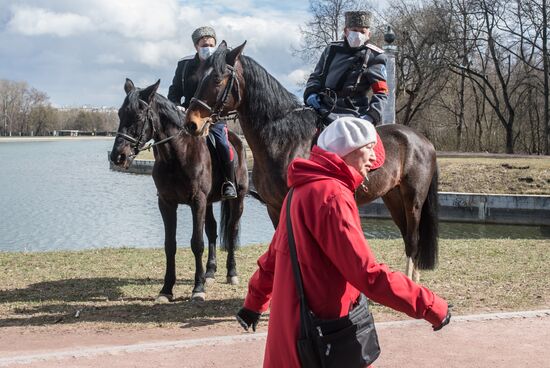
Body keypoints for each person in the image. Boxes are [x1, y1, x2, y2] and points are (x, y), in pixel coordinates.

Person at [236, 116, 451, 368]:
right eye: (370, 149)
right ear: (349, 151)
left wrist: (253, 304)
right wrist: (430, 305)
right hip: (324, 336)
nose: (374, 160)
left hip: (290, 334)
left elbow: (273, 257)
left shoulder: (298, 191)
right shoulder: (333, 196)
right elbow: (367, 274)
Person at [167, 26, 237, 200]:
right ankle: (166, 182)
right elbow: (174, 91)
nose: (208, 47)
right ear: (196, 46)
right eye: (204, 44)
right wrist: (177, 105)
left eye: (211, 44)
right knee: (168, 142)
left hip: (213, 118)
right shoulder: (184, 65)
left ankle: (229, 182)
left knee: (222, 144)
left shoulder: (218, 64)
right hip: (187, 117)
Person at [304, 11, 389, 126]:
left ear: (368, 35)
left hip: (353, 111)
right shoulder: (331, 49)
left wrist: (371, 115)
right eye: (354, 30)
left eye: (362, 31)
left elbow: (381, 92)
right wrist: (311, 94)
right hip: (322, 105)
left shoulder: (375, 56)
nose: (358, 34)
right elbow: (316, 76)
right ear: (346, 31)